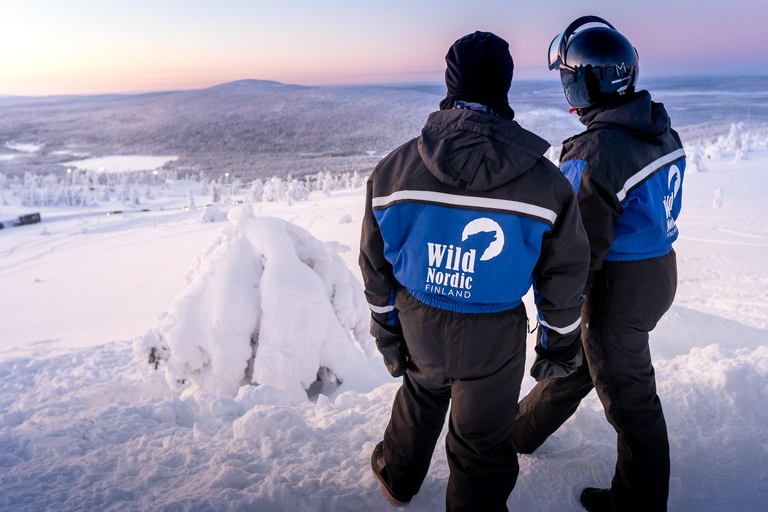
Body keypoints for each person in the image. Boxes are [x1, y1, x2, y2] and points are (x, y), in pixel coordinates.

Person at [359, 31, 590, 512]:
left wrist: (387, 328)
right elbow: (564, 275)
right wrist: (558, 341)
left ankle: (397, 475)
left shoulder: (393, 171)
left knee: (422, 392)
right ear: (503, 86)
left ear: (451, 83)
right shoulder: (545, 183)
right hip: (493, 334)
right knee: (482, 442)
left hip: (419, 318)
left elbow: (375, 262)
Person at [511, 16, 686, 512]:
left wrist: (557, 308)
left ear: (584, 82)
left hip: (619, 285)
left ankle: (639, 500)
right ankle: (519, 433)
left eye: (568, 76)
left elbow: (576, 248)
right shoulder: (656, 127)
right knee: (584, 364)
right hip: (657, 269)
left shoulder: (593, 152)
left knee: (628, 394)